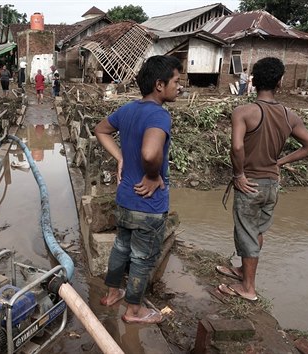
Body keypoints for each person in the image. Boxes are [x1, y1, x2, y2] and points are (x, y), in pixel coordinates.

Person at [216, 57, 308, 301]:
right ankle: (243, 271)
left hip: (250, 182)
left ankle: (248, 288)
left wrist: (238, 174)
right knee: (257, 230)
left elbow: (237, 147)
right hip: (272, 184)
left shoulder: (244, 112)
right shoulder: (289, 115)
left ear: (252, 81)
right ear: (280, 82)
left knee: (246, 231)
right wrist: (279, 162)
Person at [95, 55, 182, 325]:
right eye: (176, 81)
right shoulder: (159, 114)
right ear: (159, 84)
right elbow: (149, 152)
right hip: (149, 203)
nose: (180, 87)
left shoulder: (128, 110)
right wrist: (154, 175)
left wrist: (120, 157)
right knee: (143, 259)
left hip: (125, 198)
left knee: (121, 247)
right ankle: (133, 311)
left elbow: (101, 130)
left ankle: (112, 293)